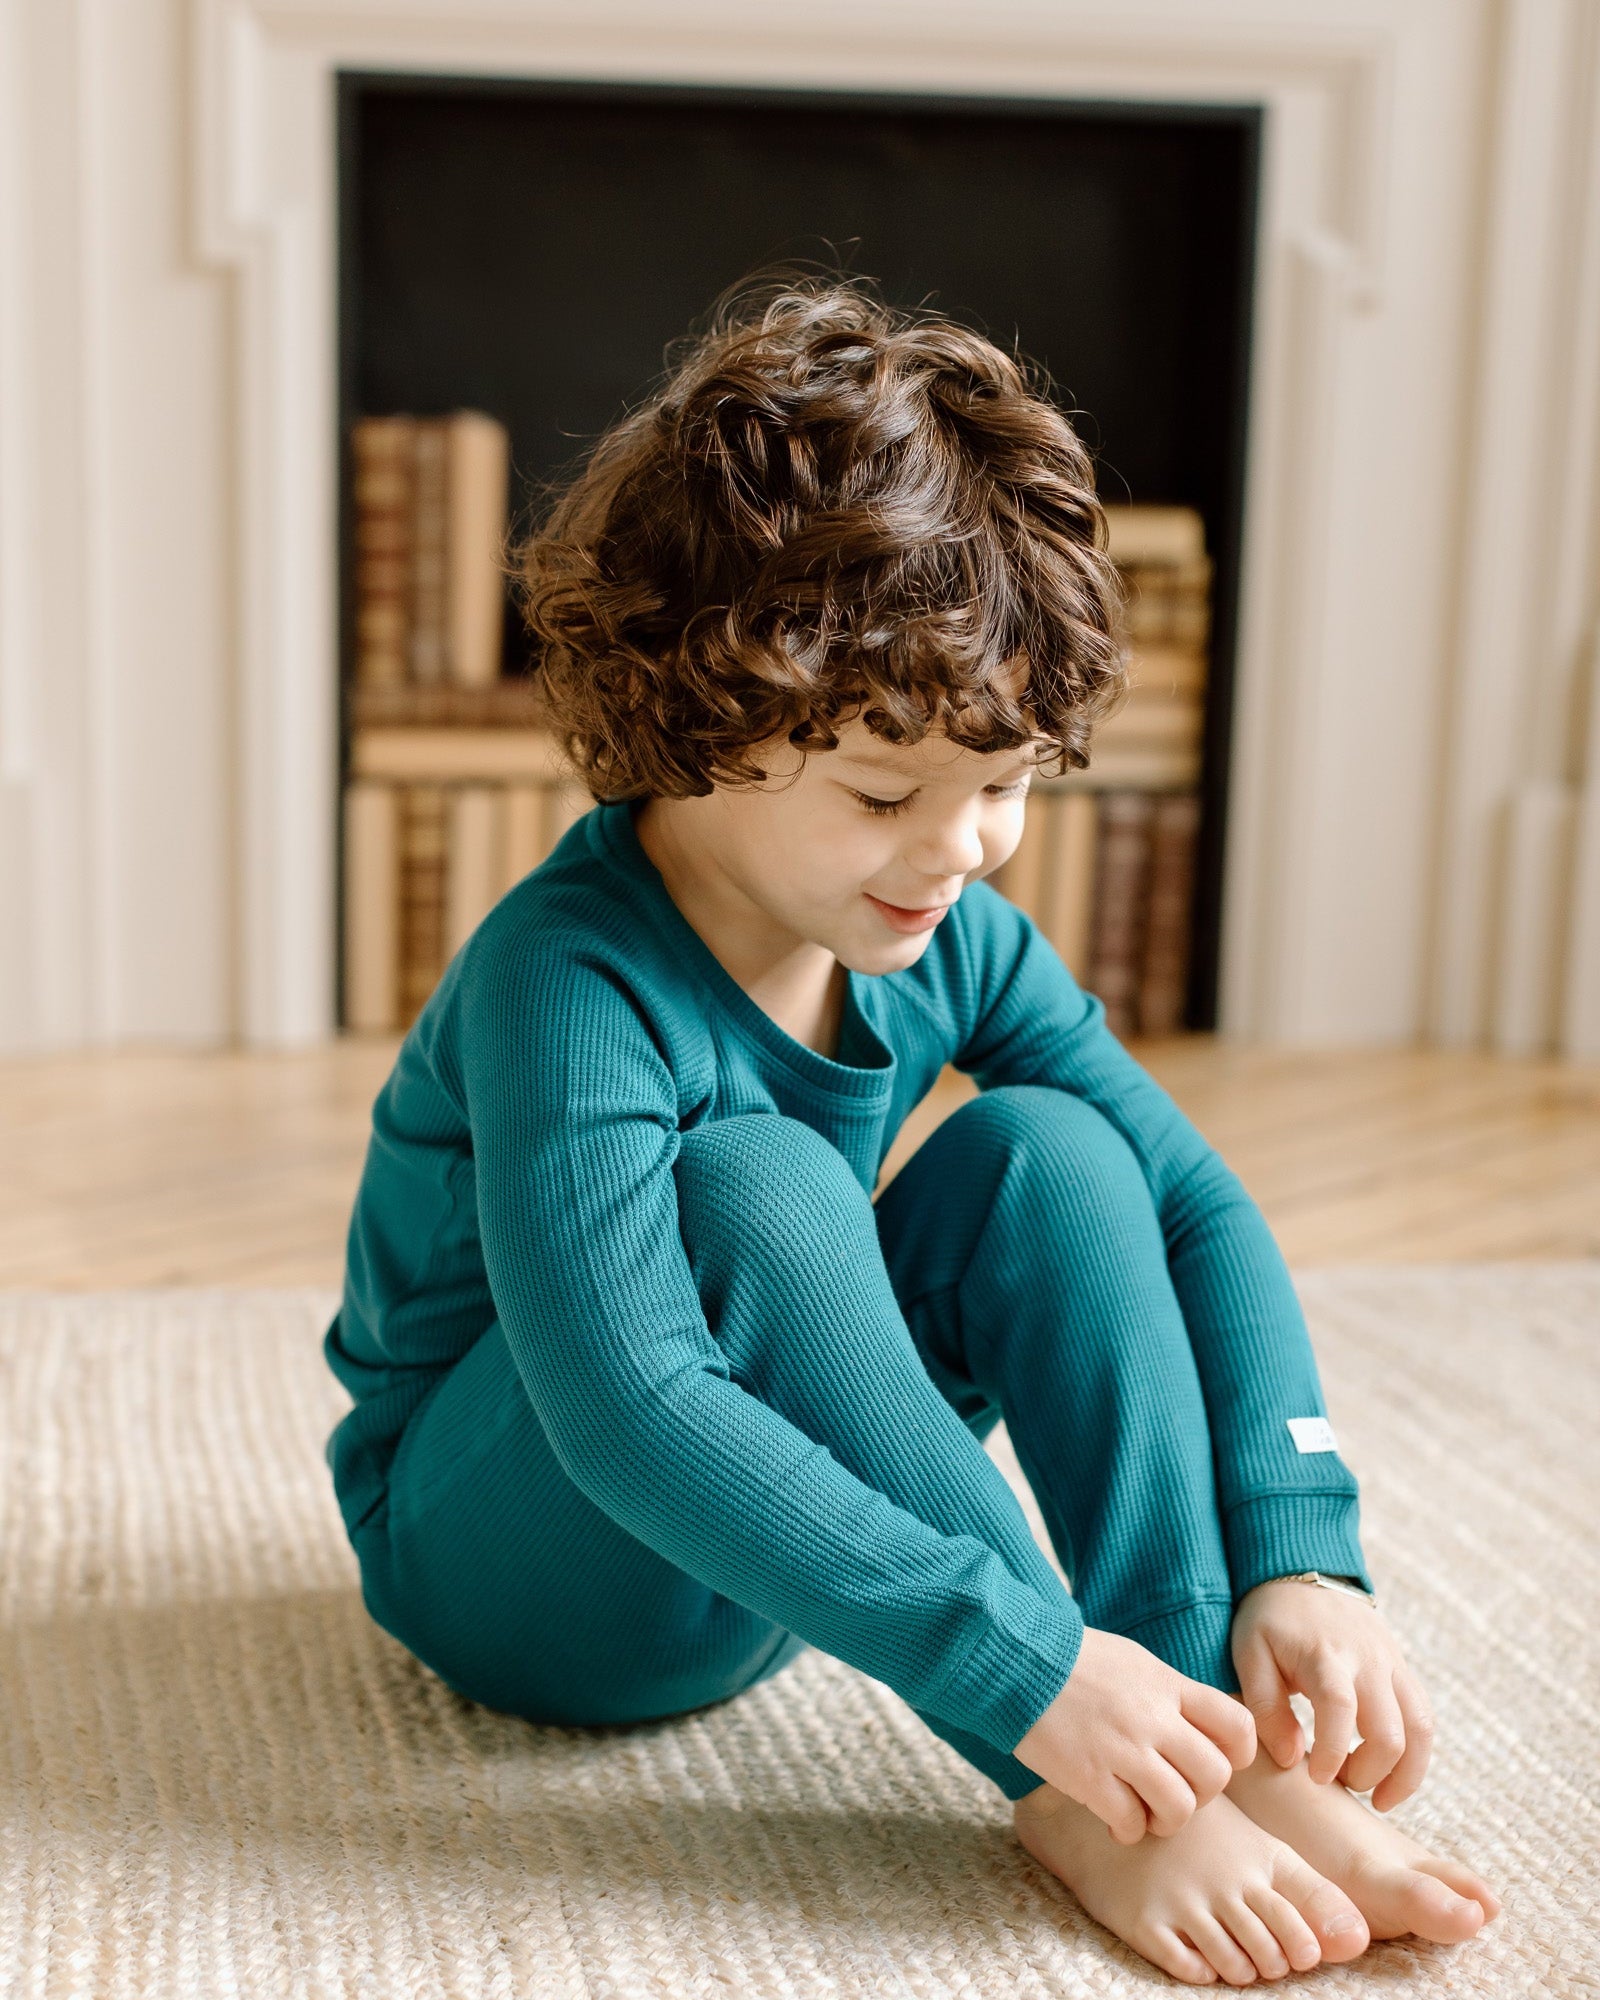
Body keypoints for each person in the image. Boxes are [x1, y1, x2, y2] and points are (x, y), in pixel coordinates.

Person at [323, 275, 1500, 1985]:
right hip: (517, 1567)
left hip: (782, 1560)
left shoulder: (945, 928)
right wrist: (1019, 1669)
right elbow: (629, 1408)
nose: (961, 849)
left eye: (1009, 781)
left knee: (1058, 1155)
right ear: (697, 719)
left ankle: (1191, 1718)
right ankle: (1089, 1779)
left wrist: (1303, 1552)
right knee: (758, 1179)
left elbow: (1193, 1209)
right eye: (888, 794)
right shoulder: (563, 982)